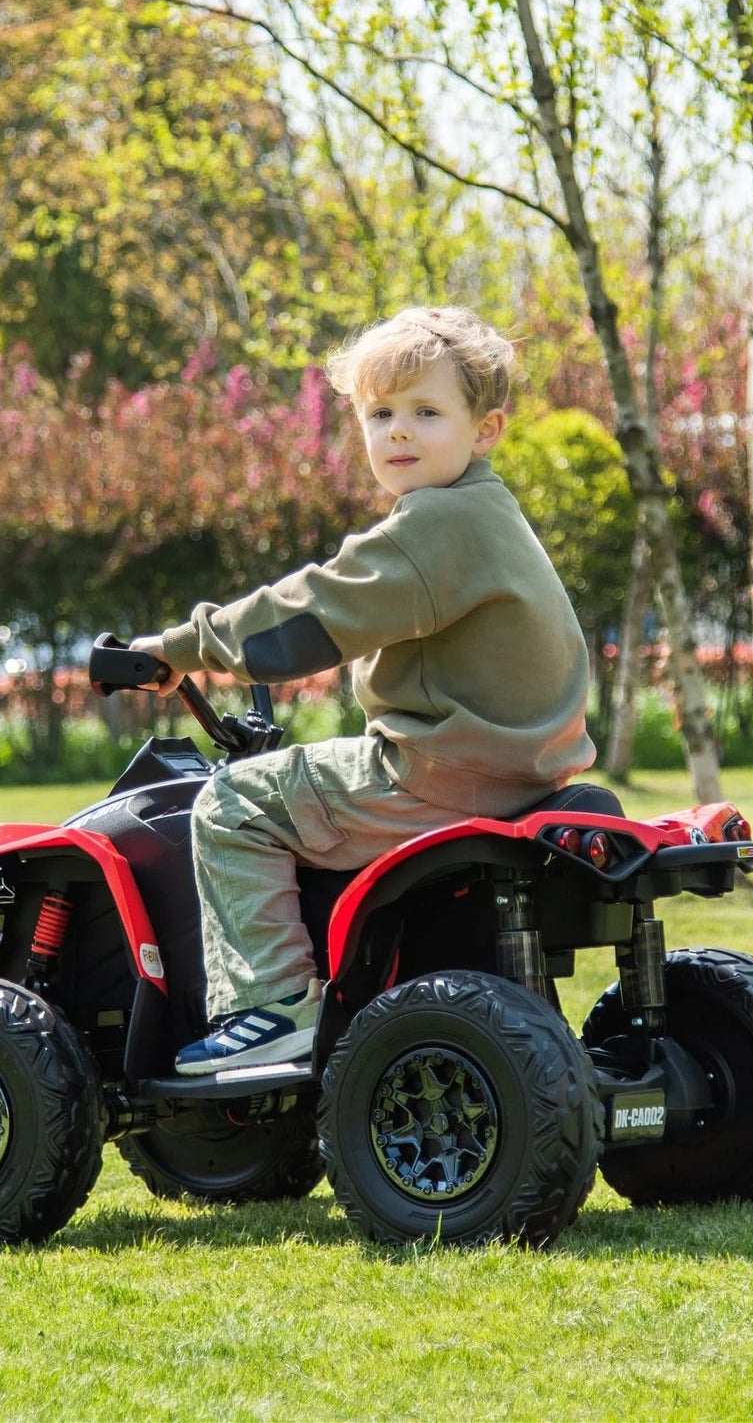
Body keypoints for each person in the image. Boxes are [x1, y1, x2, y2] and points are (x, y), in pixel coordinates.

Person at [130, 305, 595, 1075]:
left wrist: (180, 647)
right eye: (380, 414)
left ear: (485, 429)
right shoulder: (492, 515)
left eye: (425, 412)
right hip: (527, 772)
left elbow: (308, 616)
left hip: (432, 775)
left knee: (234, 802)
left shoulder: (435, 526)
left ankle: (269, 1005)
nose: (399, 433)